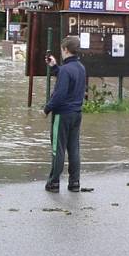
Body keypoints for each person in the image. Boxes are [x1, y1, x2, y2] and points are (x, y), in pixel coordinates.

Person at [43, 35, 86, 193]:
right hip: (76, 113)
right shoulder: (81, 67)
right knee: (74, 148)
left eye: (61, 50)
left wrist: (47, 109)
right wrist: (54, 67)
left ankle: (53, 183)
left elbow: (59, 95)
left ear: (66, 50)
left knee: (58, 148)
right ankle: (74, 183)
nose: (60, 53)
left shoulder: (66, 70)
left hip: (62, 114)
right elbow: (68, 79)